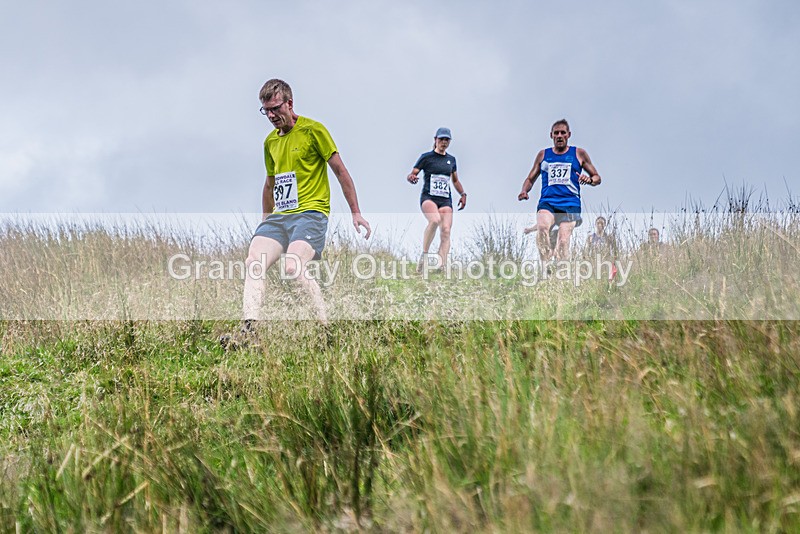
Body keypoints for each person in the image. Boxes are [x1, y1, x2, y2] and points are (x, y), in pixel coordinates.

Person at [222, 79, 371, 349]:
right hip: (280, 216)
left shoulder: (314, 131)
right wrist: (266, 221)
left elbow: (341, 171)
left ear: (289, 104)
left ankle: (324, 331)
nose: (270, 116)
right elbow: (270, 184)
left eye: (275, 108)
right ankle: (249, 330)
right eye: (265, 111)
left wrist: (356, 213)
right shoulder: (270, 142)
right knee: (253, 261)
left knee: (293, 266)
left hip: (311, 214)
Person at [518, 119, 601, 264]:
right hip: (548, 202)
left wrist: (589, 180)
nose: (559, 136)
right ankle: (546, 264)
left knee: (563, 241)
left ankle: (562, 272)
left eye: (563, 133)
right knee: (543, 227)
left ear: (569, 135)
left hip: (570, 203)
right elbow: (530, 178)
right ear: (551, 135)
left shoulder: (579, 153)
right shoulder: (543, 155)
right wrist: (524, 190)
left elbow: (597, 177)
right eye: (556, 133)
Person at [407, 127, 467, 271]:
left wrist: (463, 194)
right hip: (429, 197)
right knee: (434, 220)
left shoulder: (451, 160)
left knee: (446, 230)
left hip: (445, 200)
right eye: (441, 139)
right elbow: (413, 173)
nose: (444, 142)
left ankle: (441, 264)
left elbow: (455, 180)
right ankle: (425, 256)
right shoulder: (426, 157)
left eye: (447, 140)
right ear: (435, 140)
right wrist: (412, 177)